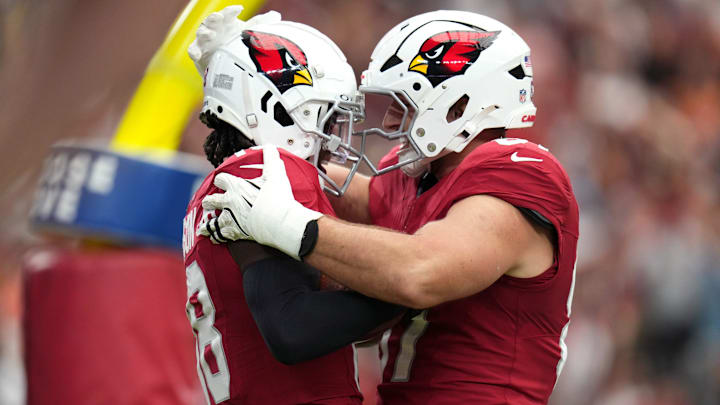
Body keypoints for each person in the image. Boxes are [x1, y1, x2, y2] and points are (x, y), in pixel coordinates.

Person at [200, 10, 579, 405]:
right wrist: (242, 96)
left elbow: (420, 272)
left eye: (406, 104)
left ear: (459, 104)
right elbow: (324, 182)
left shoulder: (520, 170)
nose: (392, 120)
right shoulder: (412, 180)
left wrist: (288, 224)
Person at [181, 7, 404, 404]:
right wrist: (410, 287)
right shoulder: (267, 167)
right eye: (328, 119)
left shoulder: (220, 184)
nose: (335, 138)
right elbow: (293, 330)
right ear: (278, 108)